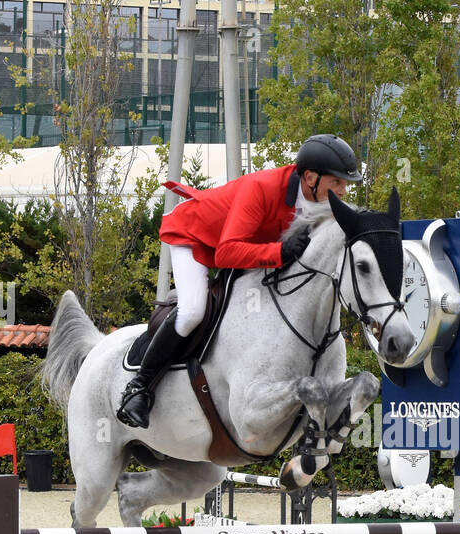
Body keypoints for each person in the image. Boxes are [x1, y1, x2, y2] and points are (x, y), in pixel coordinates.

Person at [116, 134, 362, 429]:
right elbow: (226, 252)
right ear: (310, 177)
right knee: (194, 309)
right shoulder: (262, 188)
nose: (344, 191)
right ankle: (139, 388)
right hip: (193, 236)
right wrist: (279, 251)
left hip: (249, 249)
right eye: (337, 183)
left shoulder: (321, 200)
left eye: (345, 184)